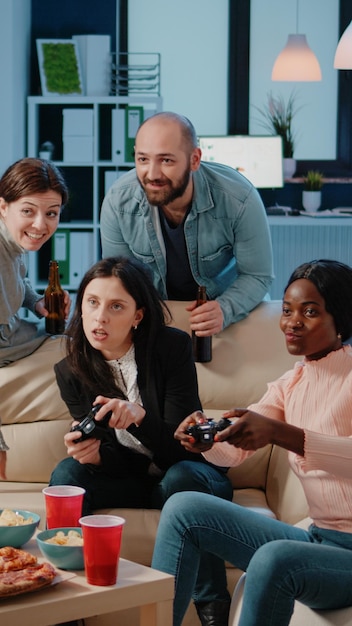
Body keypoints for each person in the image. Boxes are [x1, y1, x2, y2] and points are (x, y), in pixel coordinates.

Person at [152, 259, 352, 626]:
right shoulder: (292, 383)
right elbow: (232, 452)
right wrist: (206, 438)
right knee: (183, 509)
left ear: (342, 319)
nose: (292, 322)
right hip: (320, 540)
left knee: (274, 558)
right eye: (288, 310)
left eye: (310, 312)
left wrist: (282, 434)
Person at [49, 256, 233, 516]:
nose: (100, 318)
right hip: (130, 482)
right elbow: (118, 462)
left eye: (116, 307)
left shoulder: (171, 348)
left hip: (186, 472)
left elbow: (185, 448)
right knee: (68, 472)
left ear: (138, 315)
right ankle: (61, 555)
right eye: (92, 303)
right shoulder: (70, 371)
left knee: (181, 477)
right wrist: (96, 457)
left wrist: (140, 418)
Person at [100, 112, 273, 336]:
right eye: (143, 159)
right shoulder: (118, 201)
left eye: (166, 160)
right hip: (157, 310)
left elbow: (258, 275)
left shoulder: (238, 198)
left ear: (194, 160)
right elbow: (118, 279)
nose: (151, 174)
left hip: (223, 305)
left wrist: (225, 309)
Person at [0, 157, 70, 480]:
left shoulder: (14, 242)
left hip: (15, 331)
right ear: (4, 206)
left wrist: (37, 303)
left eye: (51, 214)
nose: (41, 225)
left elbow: (21, 280)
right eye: (28, 211)